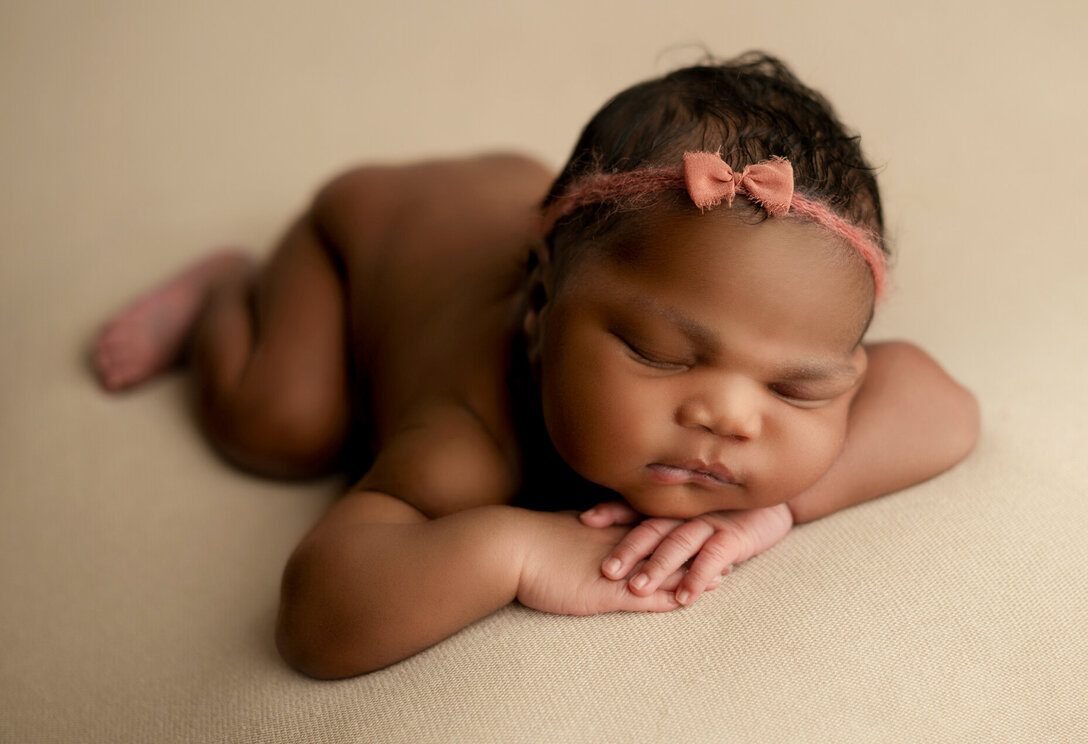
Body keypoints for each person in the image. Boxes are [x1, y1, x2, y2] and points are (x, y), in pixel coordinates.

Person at [92, 52, 979, 679]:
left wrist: (775, 509)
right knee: (280, 425)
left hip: (545, 205)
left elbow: (945, 406)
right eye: (657, 354)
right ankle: (223, 291)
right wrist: (515, 551)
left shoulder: (686, 308)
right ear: (542, 306)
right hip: (367, 234)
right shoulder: (473, 432)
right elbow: (317, 620)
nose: (731, 420)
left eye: (797, 387)